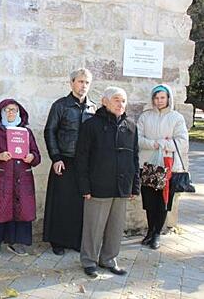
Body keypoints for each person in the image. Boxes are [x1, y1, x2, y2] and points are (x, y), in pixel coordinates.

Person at [76, 86, 140, 278]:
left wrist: (134, 185)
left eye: (123, 101)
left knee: (115, 227)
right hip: (98, 186)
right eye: (116, 100)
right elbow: (82, 158)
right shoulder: (91, 125)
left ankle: (109, 259)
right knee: (93, 227)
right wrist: (84, 186)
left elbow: (134, 157)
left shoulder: (131, 126)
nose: (121, 104)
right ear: (105, 101)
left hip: (122, 186)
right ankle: (89, 260)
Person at [43, 68, 96, 255]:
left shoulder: (93, 108)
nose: (84, 86)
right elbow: (50, 131)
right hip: (64, 160)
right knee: (61, 203)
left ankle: (75, 240)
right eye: (80, 81)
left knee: (79, 203)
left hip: (85, 163)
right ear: (72, 83)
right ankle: (58, 241)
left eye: (87, 82)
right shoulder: (60, 106)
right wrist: (55, 157)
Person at [0, 99, 41, 258]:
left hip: (22, 179)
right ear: (1, 112)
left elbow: (37, 156)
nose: (11, 113)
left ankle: (17, 243)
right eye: (7, 110)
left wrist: (31, 157)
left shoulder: (26, 133)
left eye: (14, 110)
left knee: (21, 210)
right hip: (1, 179)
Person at [137, 84, 189, 250]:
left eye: (162, 98)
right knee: (149, 201)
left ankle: (157, 233)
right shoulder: (145, 117)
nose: (159, 101)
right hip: (147, 166)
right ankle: (150, 231)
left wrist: (164, 144)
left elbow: (182, 141)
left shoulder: (176, 118)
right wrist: (154, 144)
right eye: (156, 98)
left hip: (167, 167)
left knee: (163, 202)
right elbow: (138, 139)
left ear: (168, 98)